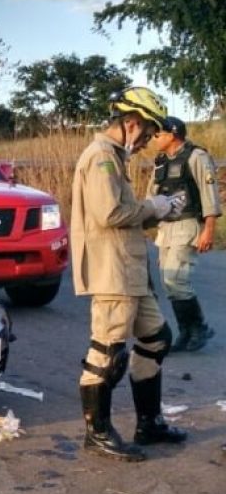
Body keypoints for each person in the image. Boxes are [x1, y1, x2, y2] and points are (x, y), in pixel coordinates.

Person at [71, 86, 188, 462]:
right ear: (131, 123)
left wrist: (160, 210)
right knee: (108, 352)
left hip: (131, 269)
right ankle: (98, 432)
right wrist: (154, 206)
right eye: (150, 132)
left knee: (157, 339)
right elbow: (109, 214)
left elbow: (122, 212)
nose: (149, 141)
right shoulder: (101, 157)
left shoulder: (114, 157)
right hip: (113, 270)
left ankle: (148, 423)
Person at [147, 116, 221, 352]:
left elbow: (209, 193)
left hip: (188, 223)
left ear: (173, 134)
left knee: (176, 280)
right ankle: (187, 332)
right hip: (167, 227)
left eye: (159, 134)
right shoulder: (160, 161)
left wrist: (209, 230)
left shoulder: (196, 156)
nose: (154, 138)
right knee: (169, 282)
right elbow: (153, 198)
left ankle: (199, 328)